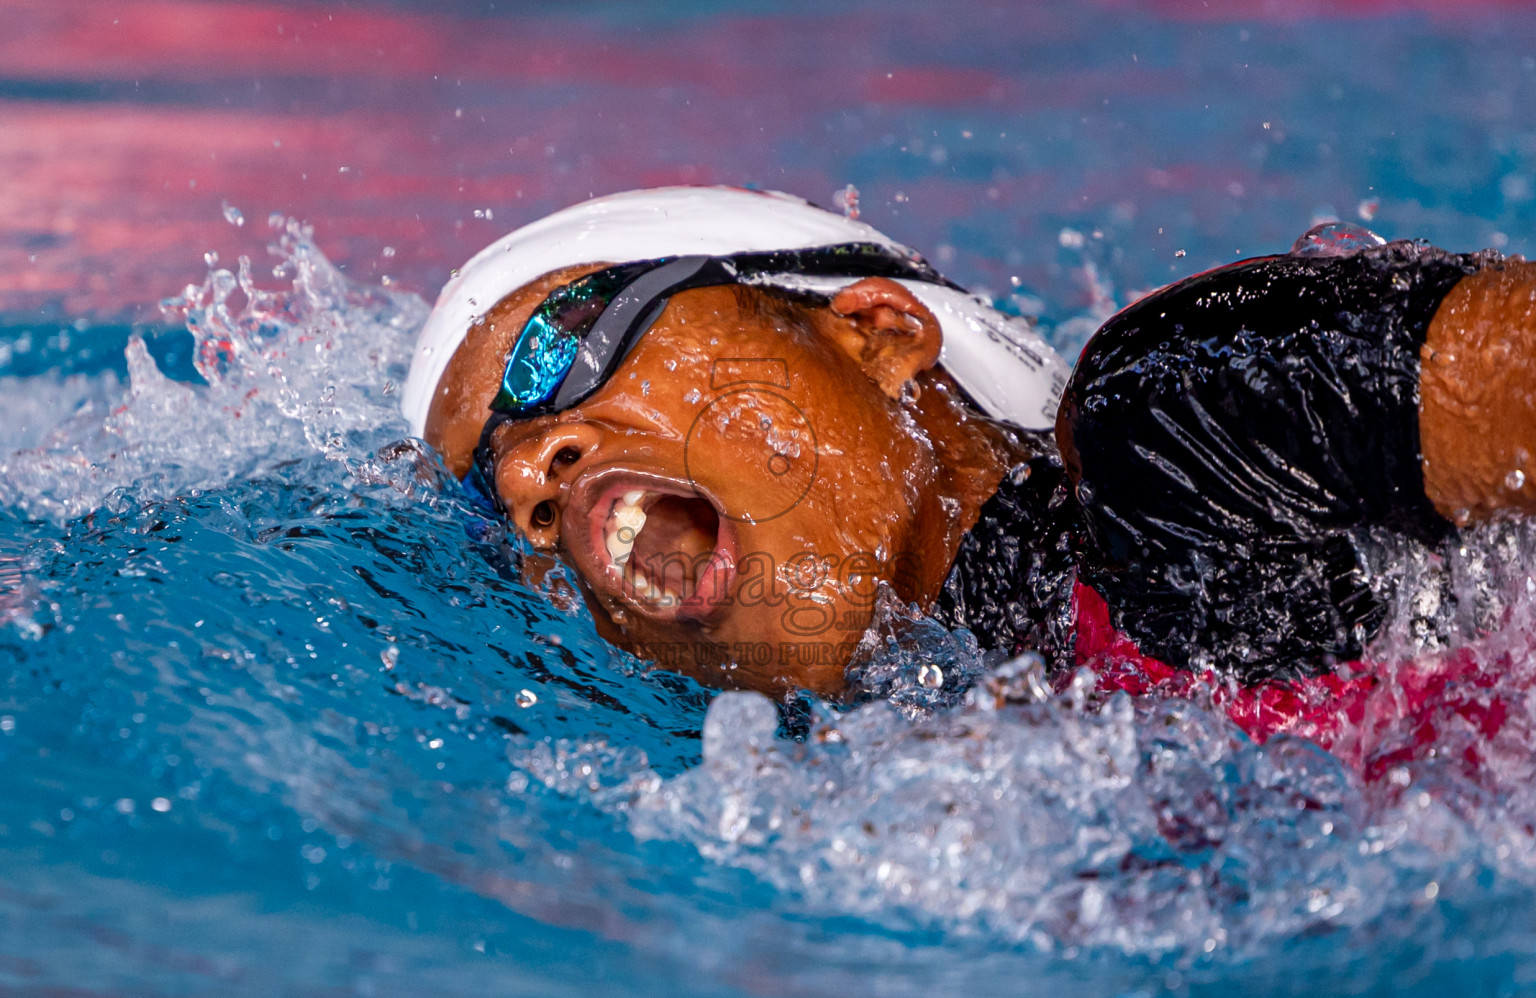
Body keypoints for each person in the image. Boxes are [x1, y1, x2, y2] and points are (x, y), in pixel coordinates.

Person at [401, 186, 1536, 747]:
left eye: (568, 345)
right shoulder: (888, 832)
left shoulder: (1183, 425)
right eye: (493, 506)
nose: (526, 485)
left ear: (874, 330)